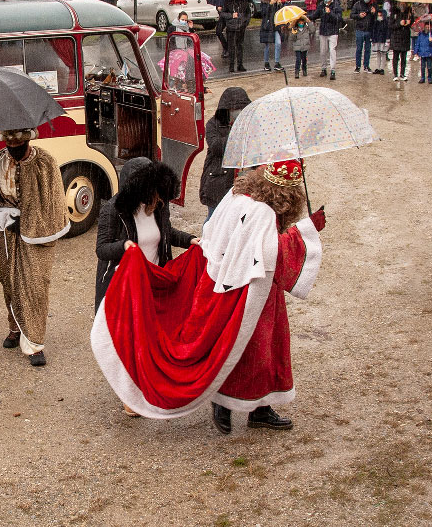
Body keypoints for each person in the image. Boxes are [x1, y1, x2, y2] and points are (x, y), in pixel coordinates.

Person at [91, 159, 325, 431]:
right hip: (240, 292)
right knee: (252, 350)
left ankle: (244, 407)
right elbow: (272, 256)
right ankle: (232, 406)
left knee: (233, 347)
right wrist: (307, 229)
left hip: (203, 283)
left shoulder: (237, 197)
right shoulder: (261, 213)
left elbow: (196, 233)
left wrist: (192, 242)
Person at [0, 128, 69, 367]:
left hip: (38, 234)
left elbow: (53, 202)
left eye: (18, 146)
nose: (13, 151)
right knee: (9, 280)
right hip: (8, 229)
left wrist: (25, 220)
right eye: (10, 146)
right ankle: (15, 327)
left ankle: (34, 343)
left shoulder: (45, 162)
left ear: (27, 141)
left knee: (35, 284)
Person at [96, 158, 196, 312]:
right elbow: (102, 249)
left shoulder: (159, 205)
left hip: (152, 283)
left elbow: (166, 233)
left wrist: (190, 240)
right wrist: (123, 245)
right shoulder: (113, 209)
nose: (157, 197)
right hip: (125, 286)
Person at [199, 87, 251, 220]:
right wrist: (236, 131)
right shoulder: (213, 124)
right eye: (234, 109)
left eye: (241, 108)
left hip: (243, 179)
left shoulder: (251, 124)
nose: (237, 112)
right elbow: (217, 148)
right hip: (218, 179)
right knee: (214, 219)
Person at [308, 0, 345, 81]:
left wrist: (330, 13)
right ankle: (323, 68)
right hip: (323, 31)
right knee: (322, 51)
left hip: (333, 31)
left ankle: (333, 70)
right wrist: (306, 17)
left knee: (332, 50)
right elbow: (315, 15)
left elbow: (338, 18)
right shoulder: (321, 5)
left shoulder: (337, 5)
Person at [222, 0, 251, 73]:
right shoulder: (228, 2)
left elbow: (248, 14)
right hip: (231, 27)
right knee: (231, 47)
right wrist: (231, 15)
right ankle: (231, 65)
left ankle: (240, 64)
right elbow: (223, 13)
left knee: (240, 46)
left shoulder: (244, 2)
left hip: (241, 27)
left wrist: (245, 22)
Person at [350, 0, 375, 73]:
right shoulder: (357, 4)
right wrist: (359, 15)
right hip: (359, 29)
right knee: (359, 49)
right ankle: (358, 66)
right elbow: (352, 15)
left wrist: (374, 13)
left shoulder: (372, 5)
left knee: (367, 49)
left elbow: (375, 18)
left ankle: (366, 66)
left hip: (369, 30)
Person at [259, 0, 283, 71]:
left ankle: (277, 62)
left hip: (275, 26)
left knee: (278, 43)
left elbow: (280, 14)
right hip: (267, 26)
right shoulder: (264, 1)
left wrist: (279, 4)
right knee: (267, 46)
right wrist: (270, 4)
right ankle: (266, 63)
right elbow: (263, 13)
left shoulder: (278, 2)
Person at [390, 3, 413, 82]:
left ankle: (402, 73)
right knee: (395, 57)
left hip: (405, 37)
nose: (402, 4)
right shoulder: (394, 13)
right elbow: (390, 25)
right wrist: (399, 24)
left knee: (404, 57)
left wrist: (409, 22)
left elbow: (412, 24)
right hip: (396, 37)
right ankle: (395, 74)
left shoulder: (409, 12)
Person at [370, 5, 389, 75]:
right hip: (377, 39)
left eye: (380, 15)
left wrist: (387, 40)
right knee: (378, 53)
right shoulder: (376, 22)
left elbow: (387, 31)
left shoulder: (386, 22)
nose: (379, 16)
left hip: (383, 40)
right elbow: (373, 30)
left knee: (383, 53)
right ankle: (378, 67)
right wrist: (373, 39)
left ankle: (382, 68)